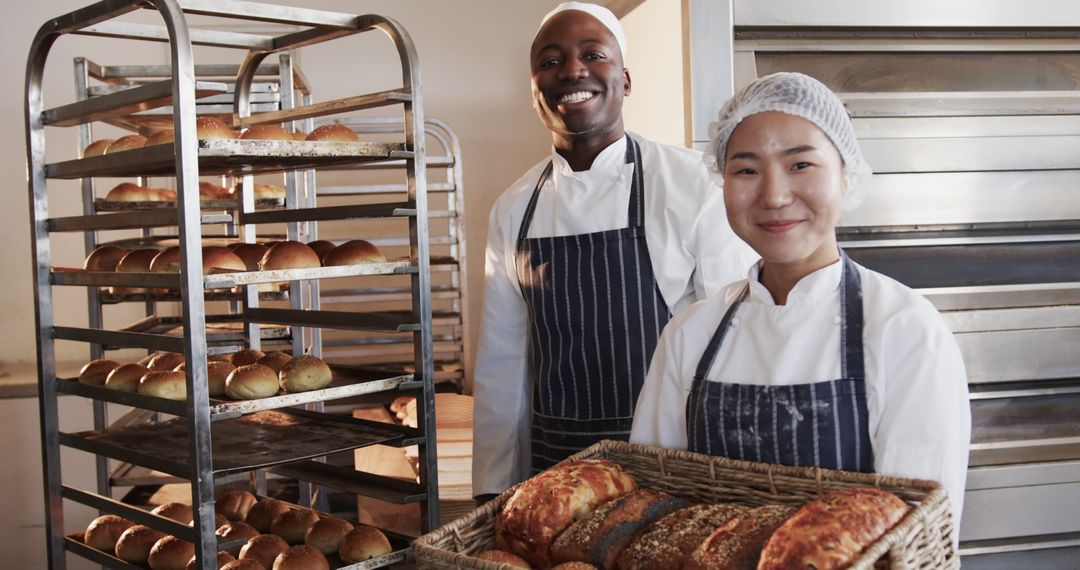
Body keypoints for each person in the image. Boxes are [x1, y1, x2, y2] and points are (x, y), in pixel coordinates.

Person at [629, 72, 971, 537]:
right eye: (746, 170)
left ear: (846, 174)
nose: (774, 196)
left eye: (800, 165)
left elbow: (918, 537)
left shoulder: (904, 329)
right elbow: (650, 511)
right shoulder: (690, 335)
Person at [472, 2, 756, 500]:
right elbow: (503, 363)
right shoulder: (513, 209)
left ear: (625, 81)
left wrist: (732, 484)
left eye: (593, 54)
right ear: (534, 91)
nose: (573, 71)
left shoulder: (692, 184)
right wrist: (493, 487)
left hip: (669, 463)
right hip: (556, 470)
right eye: (551, 61)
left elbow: (733, 345)